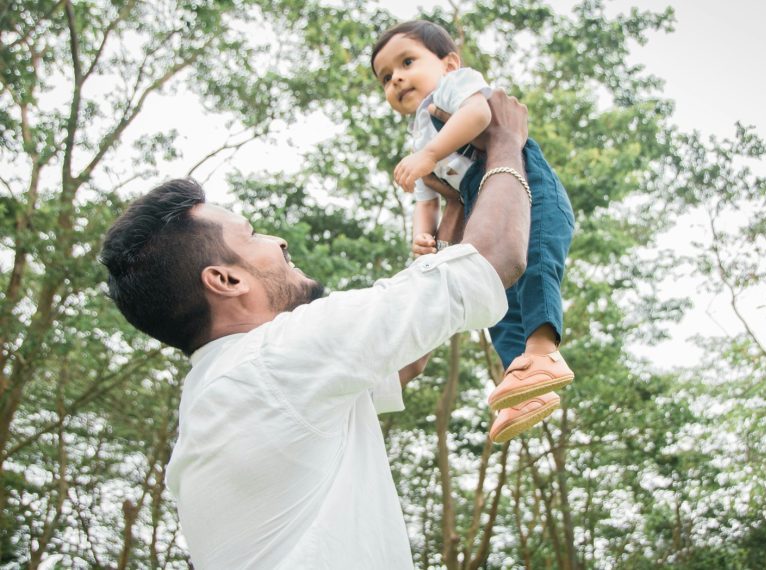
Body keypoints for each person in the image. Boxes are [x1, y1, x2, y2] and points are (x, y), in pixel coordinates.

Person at [100, 91, 547, 569]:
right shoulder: (276, 358)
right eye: (252, 235)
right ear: (226, 280)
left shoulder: (224, 391)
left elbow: (407, 358)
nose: (278, 241)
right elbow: (493, 260)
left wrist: (453, 203)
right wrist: (505, 139)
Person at [371, 20, 576, 442]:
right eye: (386, 78)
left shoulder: (452, 89)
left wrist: (431, 153)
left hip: (529, 188)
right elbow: (426, 201)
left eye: (407, 63)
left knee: (535, 263)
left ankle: (544, 353)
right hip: (488, 209)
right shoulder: (418, 139)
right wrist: (423, 240)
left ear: (449, 64)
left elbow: (480, 113)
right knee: (495, 298)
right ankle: (522, 382)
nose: (397, 80)